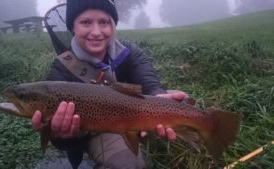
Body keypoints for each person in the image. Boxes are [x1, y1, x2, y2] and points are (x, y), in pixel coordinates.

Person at [31, 0, 188, 168]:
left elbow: (149, 83)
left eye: (104, 22)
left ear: (113, 26)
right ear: (73, 28)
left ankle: (156, 139)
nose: (96, 32)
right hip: (94, 131)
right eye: (86, 22)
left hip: (138, 113)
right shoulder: (62, 68)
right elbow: (58, 138)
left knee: (182, 103)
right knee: (127, 163)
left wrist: (159, 95)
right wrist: (63, 136)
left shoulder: (129, 51)